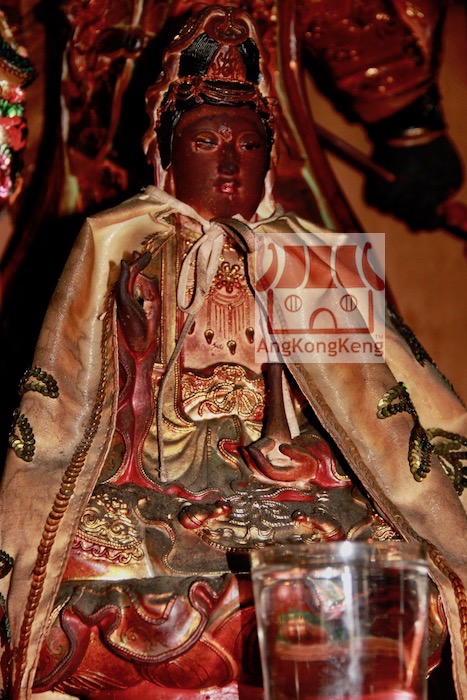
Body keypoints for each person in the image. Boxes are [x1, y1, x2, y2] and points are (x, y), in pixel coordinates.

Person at [1, 6, 467, 699]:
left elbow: (366, 409)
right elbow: (76, 406)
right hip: (158, 478)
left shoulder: (311, 256)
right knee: (86, 562)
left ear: (268, 156)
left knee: (382, 563)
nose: (227, 164)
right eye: (205, 142)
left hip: (289, 489)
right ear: (166, 152)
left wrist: (407, 115)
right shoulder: (117, 241)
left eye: (247, 146)